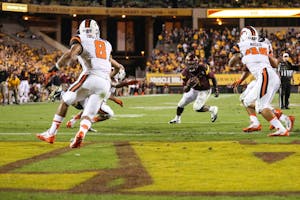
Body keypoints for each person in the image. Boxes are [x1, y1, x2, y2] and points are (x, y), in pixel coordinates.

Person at [37, 19, 122, 148]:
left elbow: (69, 54)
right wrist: (111, 76)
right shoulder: (107, 44)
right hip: (105, 83)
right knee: (88, 114)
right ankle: (81, 133)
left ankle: (51, 133)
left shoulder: (81, 39)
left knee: (65, 100)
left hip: (90, 76)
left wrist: (54, 69)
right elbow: (113, 64)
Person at [228, 26, 290, 137]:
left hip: (265, 75)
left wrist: (238, 56)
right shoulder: (264, 45)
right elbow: (274, 64)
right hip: (271, 75)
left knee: (261, 107)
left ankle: (281, 129)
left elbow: (230, 64)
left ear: (243, 35)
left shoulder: (241, 45)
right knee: (246, 100)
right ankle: (256, 123)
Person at [169, 53, 219, 124]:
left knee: (197, 108)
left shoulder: (203, 68)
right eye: (189, 63)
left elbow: (213, 78)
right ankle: (177, 119)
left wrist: (216, 89)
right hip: (193, 89)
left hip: (204, 90)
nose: (191, 65)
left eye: (192, 63)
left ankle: (212, 109)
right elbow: (185, 90)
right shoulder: (185, 73)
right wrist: (188, 86)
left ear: (196, 62)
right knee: (181, 104)